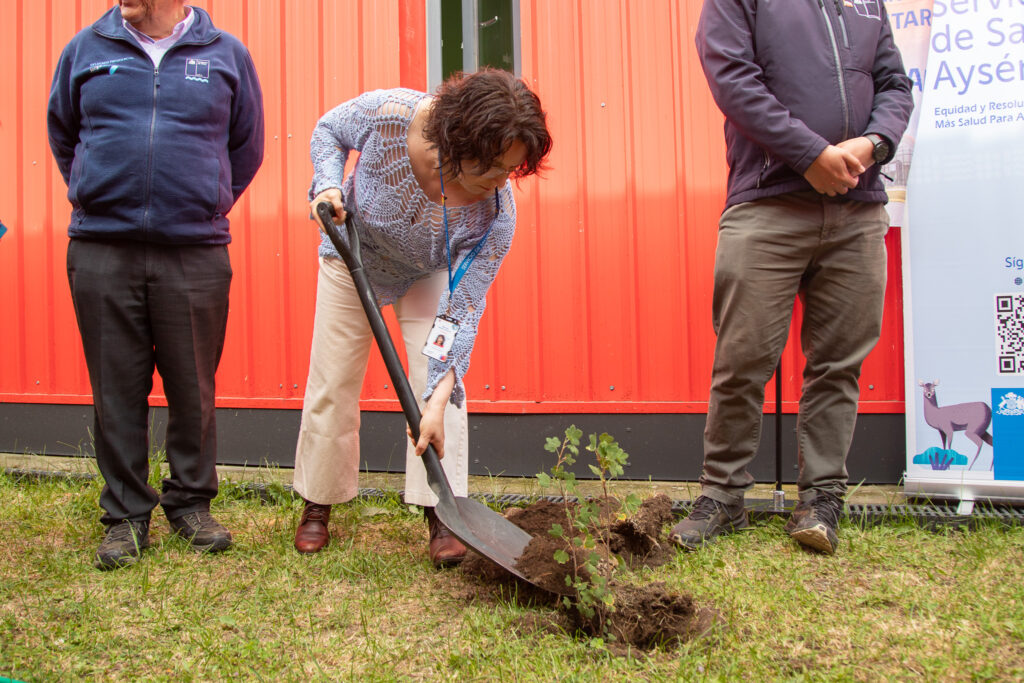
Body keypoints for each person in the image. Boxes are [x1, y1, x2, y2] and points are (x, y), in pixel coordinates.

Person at [671, 0, 912, 554]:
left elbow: (895, 84)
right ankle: (723, 495)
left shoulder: (866, 2)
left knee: (838, 363)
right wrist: (810, 154)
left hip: (859, 207)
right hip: (768, 203)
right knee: (743, 356)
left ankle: (822, 499)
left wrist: (872, 146)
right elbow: (732, 78)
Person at [292, 69, 551, 566]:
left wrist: (438, 389)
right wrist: (326, 186)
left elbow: (464, 304)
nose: (502, 183)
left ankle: (442, 511)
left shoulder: (497, 214)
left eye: (511, 171)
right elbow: (328, 129)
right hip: (353, 254)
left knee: (440, 391)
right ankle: (317, 502)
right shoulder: (390, 115)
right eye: (493, 169)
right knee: (333, 380)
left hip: (427, 273)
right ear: (457, 144)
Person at [47, 0, 264, 570]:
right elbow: (64, 135)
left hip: (194, 250)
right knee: (115, 388)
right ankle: (125, 516)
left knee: (193, 386)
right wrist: (100, 190)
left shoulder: (226, 55)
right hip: (101, 246)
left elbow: (246, 148)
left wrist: (200, 201)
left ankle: (190, 503)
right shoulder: (85, 49)